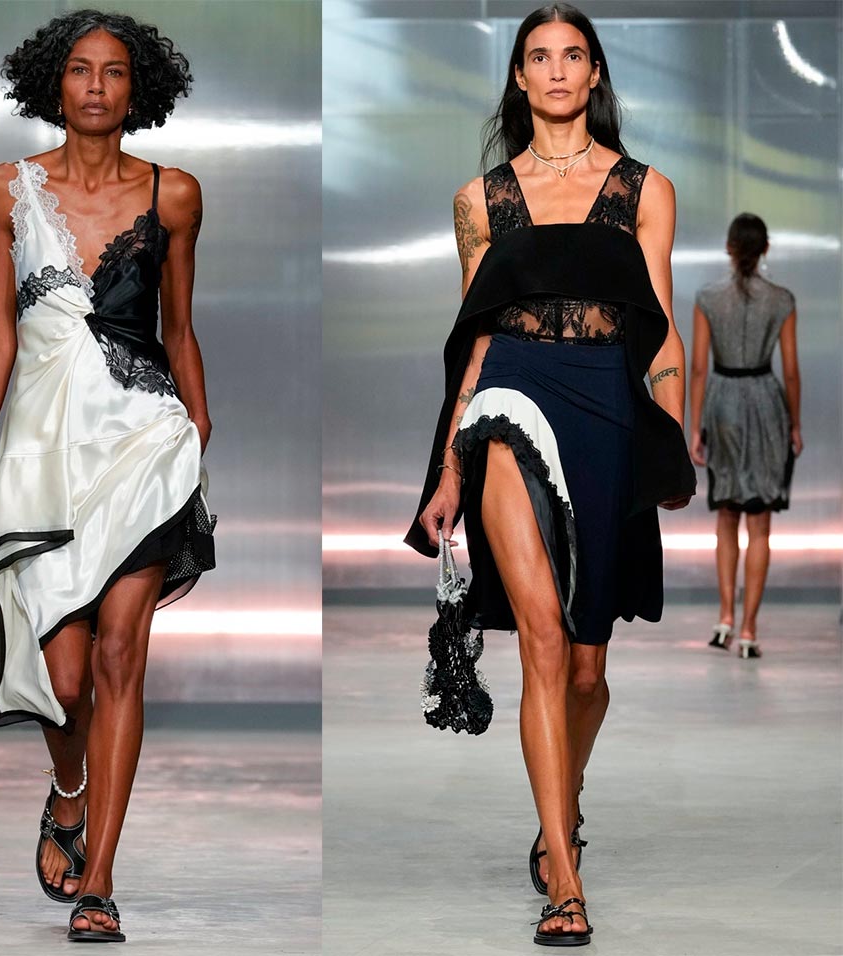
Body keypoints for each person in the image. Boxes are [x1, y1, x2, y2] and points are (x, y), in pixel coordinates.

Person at [404, 3, 695, 946]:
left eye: (574, 55)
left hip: (608, 403)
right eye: (540, 55)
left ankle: (559, 805)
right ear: (520, 77)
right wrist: (448, 468)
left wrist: (673, 435)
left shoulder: (645, 188)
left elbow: (660, 329)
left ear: (595, 73)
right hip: (511, 399)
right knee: (540, 642)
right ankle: (564, 881)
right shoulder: (480, 200)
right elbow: (474, 341)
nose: (559, 69)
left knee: (585, 664)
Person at [0, 9, 216, 943]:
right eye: (80, 70)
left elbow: (179, 329)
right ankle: (70, 790)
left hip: (143, 443)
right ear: (52, 84)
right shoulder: (4, 190)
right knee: (63, 683)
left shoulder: (174, 194)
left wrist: (197, 428)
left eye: (115, 72)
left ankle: (100, 882)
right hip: (40, 449)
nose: (96, 86)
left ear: (140, 90)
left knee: (120, 653)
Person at [690, 214, 801, 659]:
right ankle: (750, 629)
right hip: (766, 402)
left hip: (722, 403)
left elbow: (699, 368)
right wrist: (794, 424)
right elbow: (790, 370)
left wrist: (694, 426)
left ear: (729, 248)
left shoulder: (708, 298)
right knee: (760, 521)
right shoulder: (782, 300)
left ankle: (725, 618)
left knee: (726, 515)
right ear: (765, 248)